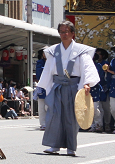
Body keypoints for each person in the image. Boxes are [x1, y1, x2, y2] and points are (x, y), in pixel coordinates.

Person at [38, 21, 99, 156]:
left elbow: (87, 67)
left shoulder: (81, 51)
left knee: (71, 117)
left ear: (73, 34)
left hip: (74, 86)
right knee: (54, 115)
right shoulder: (53, 51)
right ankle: (54, 145)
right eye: (61, 32)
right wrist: (42, 87)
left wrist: (87, 83)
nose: (64, 34)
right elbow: (48, 70)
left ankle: (71, 147)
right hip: (57, 86)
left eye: (67, 32)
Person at [89, 48, 109, 133]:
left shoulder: (98, 66)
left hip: (96, 87)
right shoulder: (85, 66)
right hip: (87, 88)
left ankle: (99, 124)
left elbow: (99, 77)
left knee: (95, 107)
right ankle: (92, 125)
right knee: (89, 108)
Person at [34, 48, 48, 130]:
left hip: (51, 85)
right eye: (44, 53)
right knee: (41, 106)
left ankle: (51, 122)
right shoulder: (40, 62)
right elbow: (39, 75)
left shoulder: (53, 61)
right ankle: (43, 123)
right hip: (42, 85)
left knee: (49, 106)